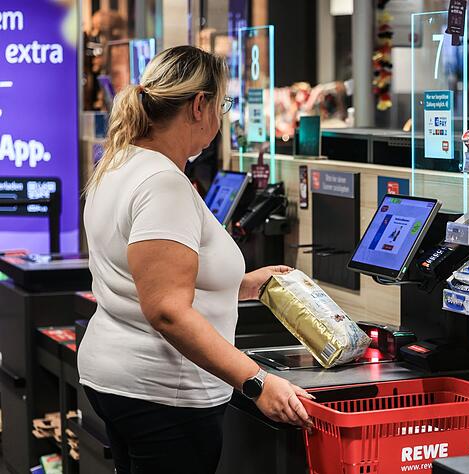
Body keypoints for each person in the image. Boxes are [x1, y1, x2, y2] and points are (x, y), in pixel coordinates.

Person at [78, 45, 311, 474]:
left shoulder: (121, 163)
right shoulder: (163, 183)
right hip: (164, 392)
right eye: (221, 104)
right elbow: (166, 309)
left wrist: (240, 284)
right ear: (199, 105)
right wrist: (257, 382)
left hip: (118, 379)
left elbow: (142, 272)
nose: (221, 118)